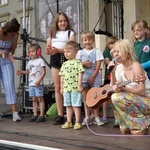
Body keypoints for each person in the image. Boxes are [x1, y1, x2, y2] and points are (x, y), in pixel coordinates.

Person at [109, 39, 150, 135]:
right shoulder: (118, 68)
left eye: (118, 51)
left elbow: (141, 91)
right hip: (134, 98)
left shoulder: (136, 66)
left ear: (127, 53)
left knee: (118, 97)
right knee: (112, 97)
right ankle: (126, 125)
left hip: (146, 98)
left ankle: (141, 125)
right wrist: (112, 71)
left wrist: (124, 89)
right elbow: (114, 86)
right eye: (114, 51)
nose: (115, 54)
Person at [45, 12, 76, 125]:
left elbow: (71, 47)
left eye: (64, 20)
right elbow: (47, 49)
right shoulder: (52, 34)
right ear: (56, 23)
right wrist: (49, 50)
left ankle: (71, 115)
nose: (62, 23)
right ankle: (60, 115)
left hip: (67, 59)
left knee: (68, 88)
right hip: (55, 59)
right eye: (60, 21)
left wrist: (58, 50)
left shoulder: (70, 33)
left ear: (67, 22)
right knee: (58, 88)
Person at [76, 31, 105, 126]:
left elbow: (98, 66)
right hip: (83, 77)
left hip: (94, 77)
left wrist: (93, 77)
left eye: (89, 39)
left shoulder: (97, 51)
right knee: (86, 98)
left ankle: (96, 117)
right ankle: (87, 117)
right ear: (82, 41)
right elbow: (76, 65)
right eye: (85, 40)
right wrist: (83, 64)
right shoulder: (80, 52)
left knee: (95, 97)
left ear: (93, 40)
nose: (87, 42)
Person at [16, 44, 46, 122]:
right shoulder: (29, 62)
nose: (31, 53)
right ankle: (35, 114)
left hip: (38, 83)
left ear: (38, 52)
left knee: (40, 99)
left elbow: (44, 72)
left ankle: (42, 115)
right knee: (34, 99)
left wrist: (39, 80)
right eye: (30, 52)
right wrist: (21, 71)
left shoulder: (41, 61)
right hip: (31, 84)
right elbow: (28, 72)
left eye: (33, 51)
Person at [59, 41, 84, 130]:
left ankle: (77, 122)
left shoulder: (78, 62)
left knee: (76, 105)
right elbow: (62, 76)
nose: (66, 53)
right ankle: (69, 121)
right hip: (66, 89)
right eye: (65, 52)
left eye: (68, 51)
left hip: (75, 88)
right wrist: (61, 87)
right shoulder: (64, 64)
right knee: (68, 105)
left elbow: (80, 74)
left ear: (75, 52)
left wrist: (79, 85)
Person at [0, 18, 21, 122]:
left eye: (14, 34)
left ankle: (15, 113)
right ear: (6, 31)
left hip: (6, 61)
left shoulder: (15, 35)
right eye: (11, 34)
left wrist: (11, 54)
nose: (12, 36)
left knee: (10, 85)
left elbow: (13, 48)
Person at [101, 36, 118, 126]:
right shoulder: (107, 52)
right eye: (111, 44)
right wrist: (113, 62)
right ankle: (104, 115)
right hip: (108, 78)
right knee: (105, 97)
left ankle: (117, 118)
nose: (112, 45)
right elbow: (107, 61)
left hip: (116, 79)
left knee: (114, 97)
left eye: (114, 44)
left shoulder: (118, 53)